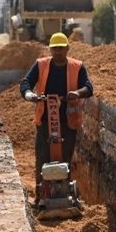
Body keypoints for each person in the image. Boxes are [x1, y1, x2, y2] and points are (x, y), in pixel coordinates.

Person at [20, 32, 93, 204]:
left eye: (61, 48)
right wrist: (30, 95)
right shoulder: (41, 65)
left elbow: (89, 88)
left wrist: (77, 93)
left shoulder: (77, 67)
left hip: (68, 123)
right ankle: (41, 197)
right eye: (54, 49)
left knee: (65, 159)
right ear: (50, 50)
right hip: (45, 121)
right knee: (43, 159)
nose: (58, 52)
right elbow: (26, 83)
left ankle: (64, 194)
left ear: (67, 48)